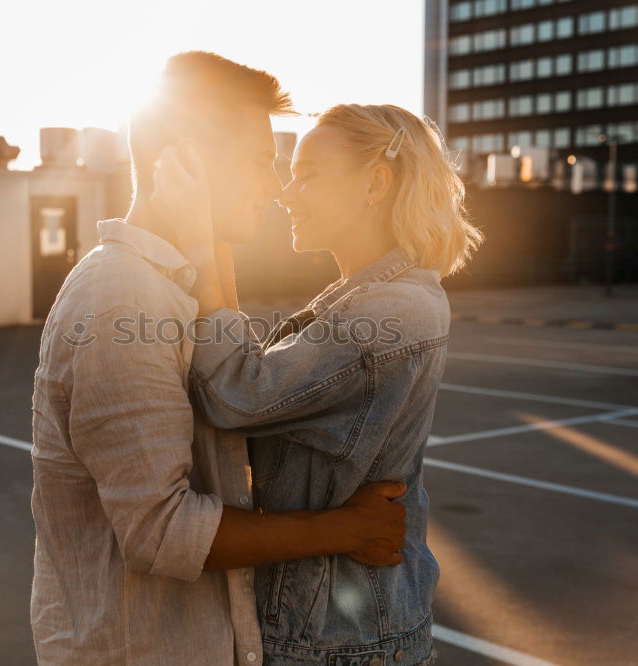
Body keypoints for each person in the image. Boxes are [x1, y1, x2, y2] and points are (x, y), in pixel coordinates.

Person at [29, 53, 410, 666]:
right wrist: (345, 530)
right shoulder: (122, 294)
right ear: (185, 163)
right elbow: (161, 532)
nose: (277, 186)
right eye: (261, 163)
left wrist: (210, 248)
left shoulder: (174, 287)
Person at [152, 103, 483, 665]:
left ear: (376, 183)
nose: (285, 192)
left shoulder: (394, 312)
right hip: (335, 633)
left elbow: (239, 395)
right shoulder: (361, 297)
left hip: (340, 642)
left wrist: (201, 240)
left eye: (307, 175)